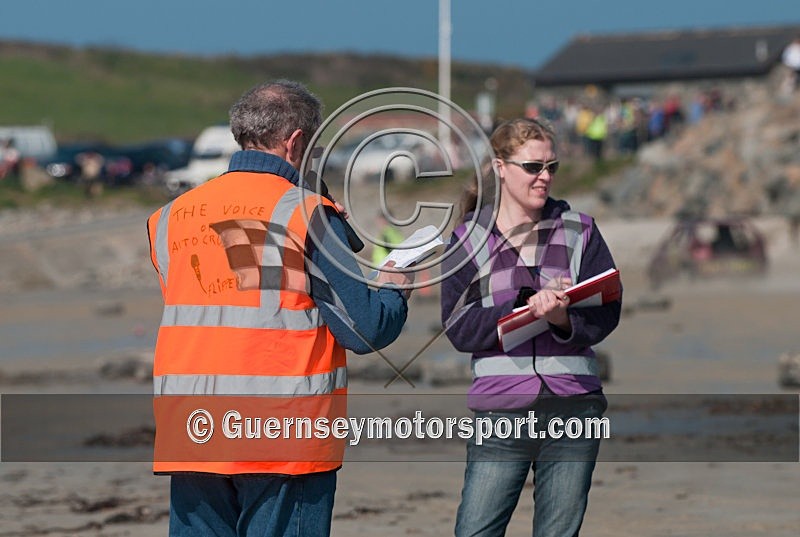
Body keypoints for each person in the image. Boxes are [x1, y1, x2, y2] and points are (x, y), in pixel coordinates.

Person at [147, 80, 412, 537]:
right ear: (296, 142)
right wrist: (395, 289)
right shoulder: (305, 212)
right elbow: (365, 329)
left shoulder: (171, 216)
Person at [441, 118, 621, 537]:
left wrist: (561, 319)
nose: (545, 177)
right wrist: (521, 306)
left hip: (575, 406)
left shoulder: (582, 230)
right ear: (500, 166)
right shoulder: (468, 239)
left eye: (551, 167)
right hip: (500, 411)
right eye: (533, 167)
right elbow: (458, 329)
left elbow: (607, 312)